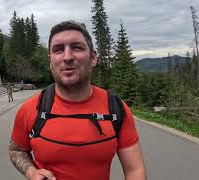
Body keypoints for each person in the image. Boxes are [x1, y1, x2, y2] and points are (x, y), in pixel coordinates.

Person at [8, 20, 146, 180]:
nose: (67, 57)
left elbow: (134, 170)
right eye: (58, 50)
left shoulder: (115, 108)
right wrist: (31, 171)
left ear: (93, 57)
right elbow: (16, 150)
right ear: (50, 62)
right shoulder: (30, 109)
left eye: (77, 47)